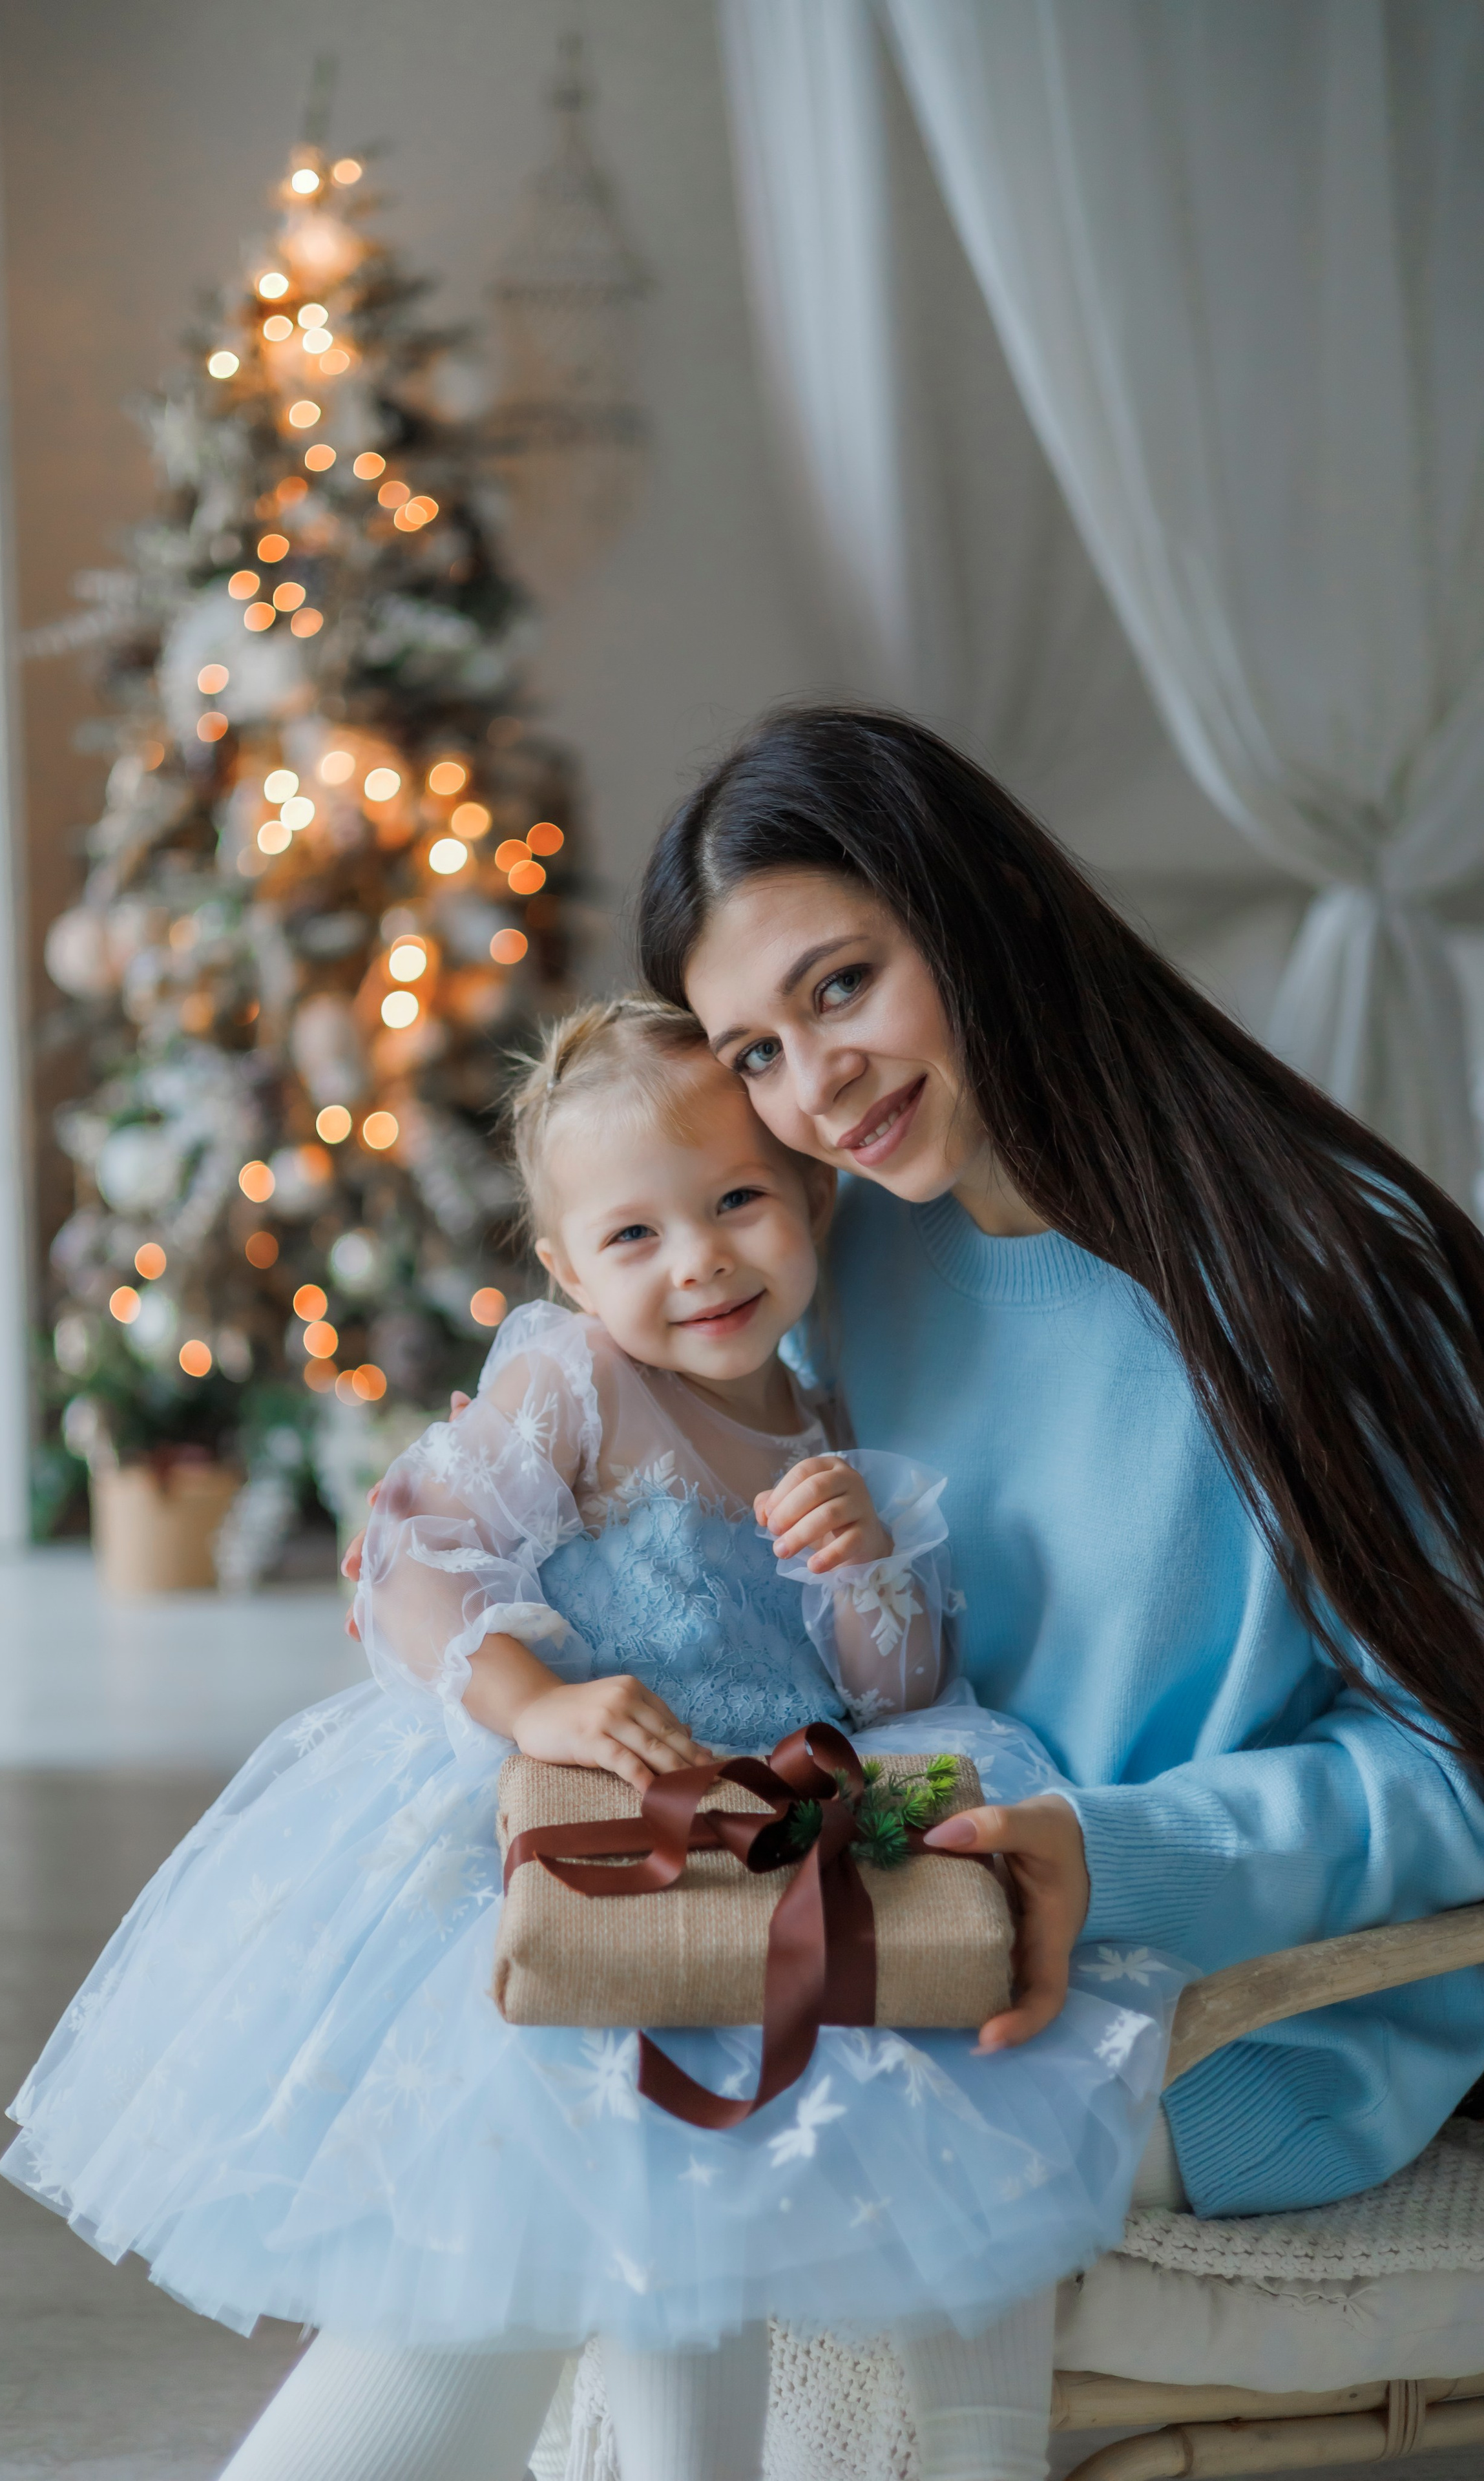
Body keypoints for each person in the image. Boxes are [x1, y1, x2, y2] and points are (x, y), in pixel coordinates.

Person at [0, 996, 1181, 2481]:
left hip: (750, 1866)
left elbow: (892, 1691)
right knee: (641, 2194)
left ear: (810, 1195)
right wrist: (531, 1701)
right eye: (632, 1237)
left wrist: (861, 1565)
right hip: (590, 1848)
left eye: (736, 1201)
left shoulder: (826, 1424)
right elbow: (413, 1557)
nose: (697, 1261)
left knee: (795, 2147)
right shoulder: (579, 1382)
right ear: (563, 1269)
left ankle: (930, 2448)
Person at [634, 698, 1484, 2464]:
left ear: (984, 909)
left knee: (669, 2163)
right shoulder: (857, 1278)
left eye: (843, 987)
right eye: (758, 1052)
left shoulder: (1326, 1277)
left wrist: (1112, 1856)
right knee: (580, 2106)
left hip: (1243, 2019)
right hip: (935, 1933)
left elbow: (1458, 1764)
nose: (817, 1087)